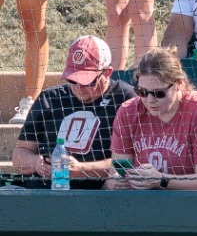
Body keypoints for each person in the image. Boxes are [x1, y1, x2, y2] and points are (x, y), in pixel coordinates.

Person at [108, 49, 197, 191]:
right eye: (142, 92)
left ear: (179, 84)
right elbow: (117, 168)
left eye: (159, 93)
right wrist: (117, 180)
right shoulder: (128, 111)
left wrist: (162, 180)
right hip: (151, 199)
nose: (150, 100)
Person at [12, 35, 134, 187]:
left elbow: (133, 160)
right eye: (72, 80)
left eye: (88, 81)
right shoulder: (49, 98)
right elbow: (19, 154)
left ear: (107, 72)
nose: (78, 87)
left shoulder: (125, 99)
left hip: (99, 192)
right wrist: (36, 162)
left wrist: (83, 170)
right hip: (45, 188)